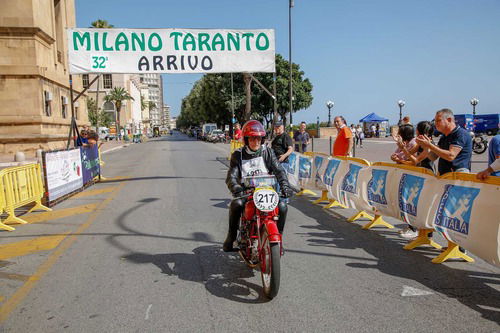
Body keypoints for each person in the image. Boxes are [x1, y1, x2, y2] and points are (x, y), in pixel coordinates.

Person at [224, 120, 293, 252]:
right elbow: (231, 176)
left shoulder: (268, 152)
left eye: (258, 139)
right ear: (246, 139)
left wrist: (285, 186)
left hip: (266, 191)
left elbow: (279, 171)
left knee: (283, 206)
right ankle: (231, 237)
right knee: (236, 204)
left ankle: (279, 240)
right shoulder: (237, 155)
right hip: (247, 192)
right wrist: (236, 187)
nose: (256, 142)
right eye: (252, 139)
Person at [416, 108, 472, 175]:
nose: (435, 124)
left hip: (457, 176)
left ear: (449, 120)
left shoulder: (460, 134)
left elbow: (451, 156)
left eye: (438, 121)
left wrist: (430, 145)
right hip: (445, 176)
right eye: (435, 121)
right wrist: (426, 147)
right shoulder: (444, 136)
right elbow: (433, 157)